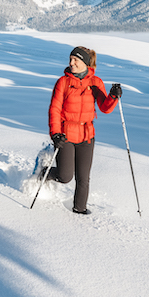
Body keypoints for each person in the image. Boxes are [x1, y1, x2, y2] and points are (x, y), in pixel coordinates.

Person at [45, 46, 121, 214]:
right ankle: (45, 172)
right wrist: (55, 133)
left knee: (83, 178)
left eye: (75, 60)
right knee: (65, 176)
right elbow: (55, 110)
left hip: (87, 136)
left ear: (85, 63)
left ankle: (80, 210)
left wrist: (113, 97)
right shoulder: (63, 82)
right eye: (70, 59)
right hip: (66, 135)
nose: (71, 63)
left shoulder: (95, 82)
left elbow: (105, 108)